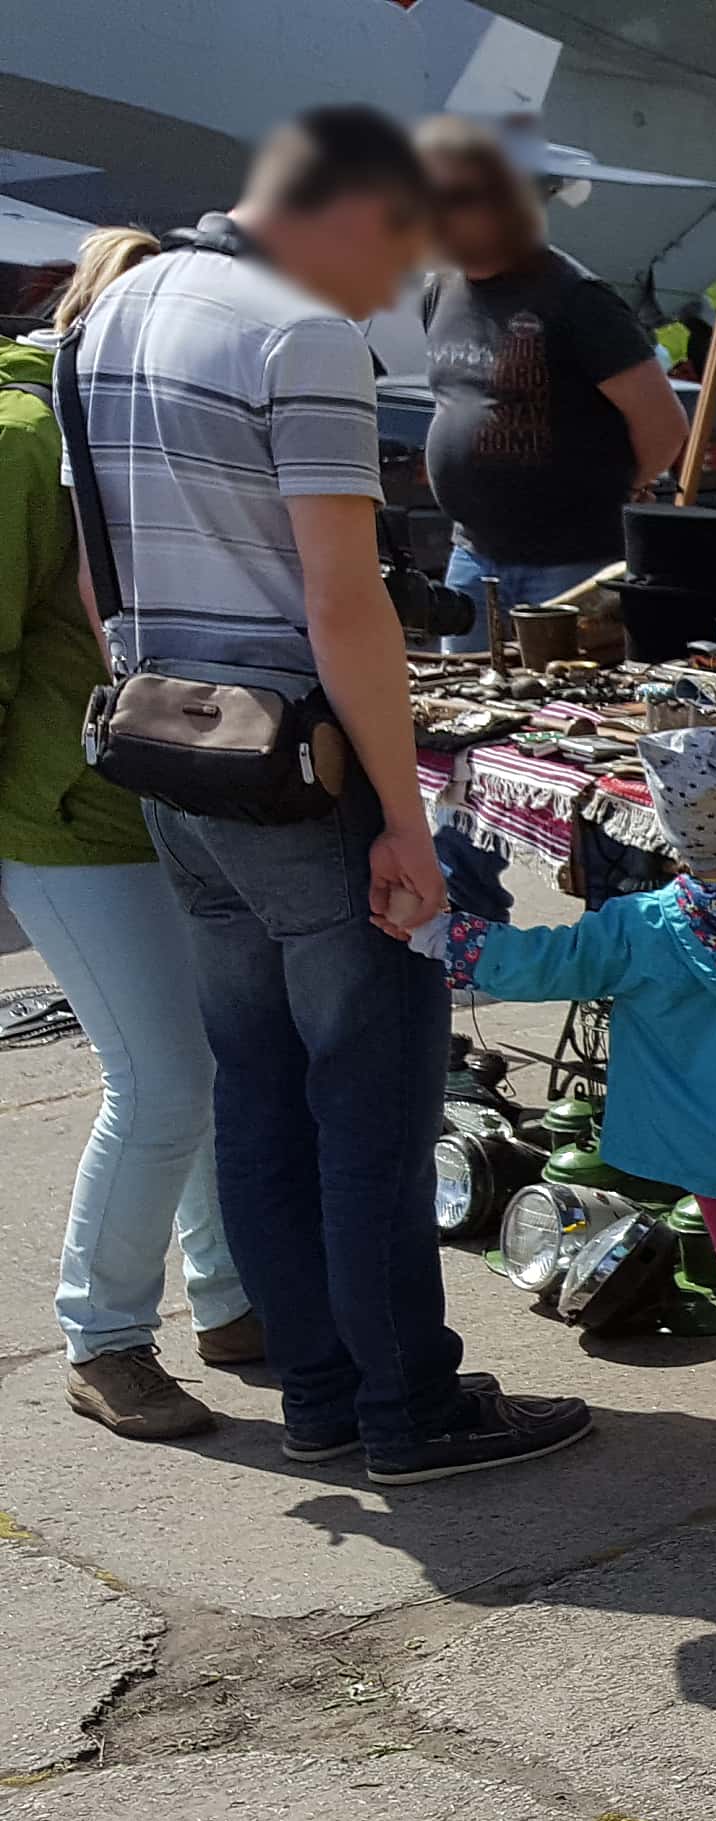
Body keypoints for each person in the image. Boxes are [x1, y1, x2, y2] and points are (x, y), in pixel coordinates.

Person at [69, 106, 592, 1483]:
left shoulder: (114, 310)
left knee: (259, 1087)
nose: (402, 298)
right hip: (301, 767)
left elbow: (96, 579)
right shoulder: (298, 333)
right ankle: (406, 1409)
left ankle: (319, 1391)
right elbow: (343, 599)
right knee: (368, 1096)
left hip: (172, 749)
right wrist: (407, 827)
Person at [416, 729, 716, 1390]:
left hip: (712, 1155)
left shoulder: (639, 927)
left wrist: (442, 935)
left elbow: (543, 964)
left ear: (666, 828)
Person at [6, 228, 258, 1440]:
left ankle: (227, 1296)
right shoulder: (23, 440)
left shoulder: (115, 425)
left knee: (201, 1063)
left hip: (153, 801)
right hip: (70, 819)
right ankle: (101, 1339)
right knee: (163, 1079)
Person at [413, 116, 688, 649]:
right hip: (473, 557)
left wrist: (609, 488)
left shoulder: (578, 301)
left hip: (572, 565)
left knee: (567, 709)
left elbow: (663, 425)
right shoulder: (440, 291)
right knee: (465, 711)